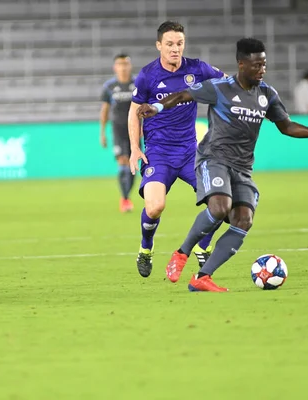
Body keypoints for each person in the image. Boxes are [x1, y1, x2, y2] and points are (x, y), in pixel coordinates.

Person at [137, 38, 308, 292]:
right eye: (257, 65)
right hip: (214, 158)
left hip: (243, 167)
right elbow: (182, 94)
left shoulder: (267, 94)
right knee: (221, 206)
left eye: (264, 64)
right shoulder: (220, 87)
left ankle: (202, 277)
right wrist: (156, 107)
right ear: (241, 64)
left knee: (243, 220)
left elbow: (287, 126)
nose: (262, 70)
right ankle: (182, 253)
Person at [128, 20, 226, 280]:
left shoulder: (197, 68)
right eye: (169, 44)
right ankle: (145, 248)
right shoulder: (148, 75)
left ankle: (202, 248)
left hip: (190, 153)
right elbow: (133, 112)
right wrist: (135, 148)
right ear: (159, 45)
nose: (175, 49)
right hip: (158, 153)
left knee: (223, 203)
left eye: (179, 43)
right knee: (155, 207)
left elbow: (228, 84)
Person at [100, 54, 138, 212]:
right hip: (117, 129)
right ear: (115, 67)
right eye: (120, 64)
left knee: (132, 164)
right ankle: (125, 199)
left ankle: (127, 196)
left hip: (134, 129)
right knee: (122, 161)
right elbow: (105, 110)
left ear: (130, 66)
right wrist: (102, 132)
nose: (123, 67)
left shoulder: (138, 84)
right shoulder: (109, 86)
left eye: (126, 64)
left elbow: (144, 106)